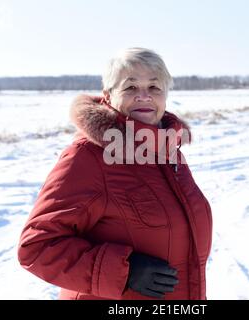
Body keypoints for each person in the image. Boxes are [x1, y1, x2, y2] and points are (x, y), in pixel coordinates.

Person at [17, 47, 213, 300]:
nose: (144, 96)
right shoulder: (88, 156)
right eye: (130, 87)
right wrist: (125, 271)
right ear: (108, 95)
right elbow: (37, 246)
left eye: (154, 88)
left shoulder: (167, 153)